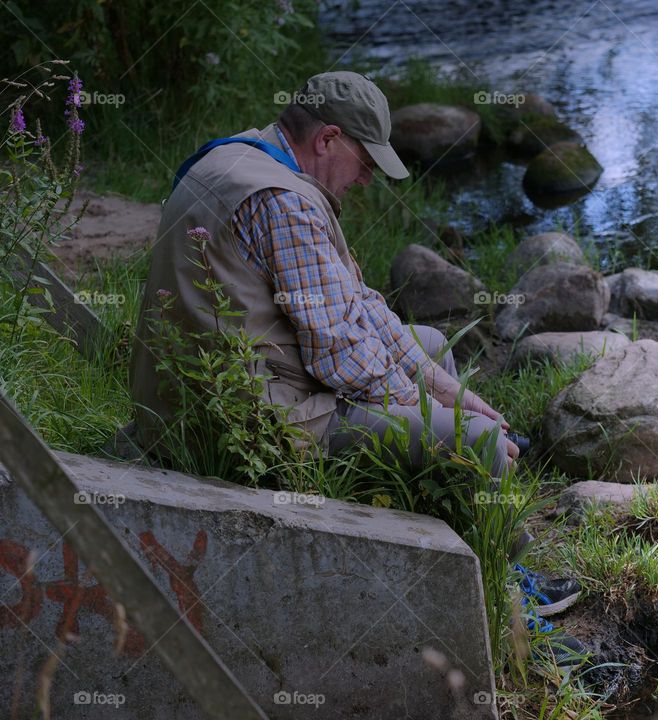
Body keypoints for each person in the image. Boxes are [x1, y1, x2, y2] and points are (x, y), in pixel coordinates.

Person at [129, 70, 584, 669]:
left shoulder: (246, 155)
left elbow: (356, 304)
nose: (369, 177)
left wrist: (441, 386)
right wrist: (441, 411)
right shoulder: (284, 203)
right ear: (328, 139)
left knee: (431, 347)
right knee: (477, 445)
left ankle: (487, 548)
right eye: (365, 161)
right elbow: (338, 354)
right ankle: (509, 619)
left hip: (206, 388)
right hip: (249, 422)